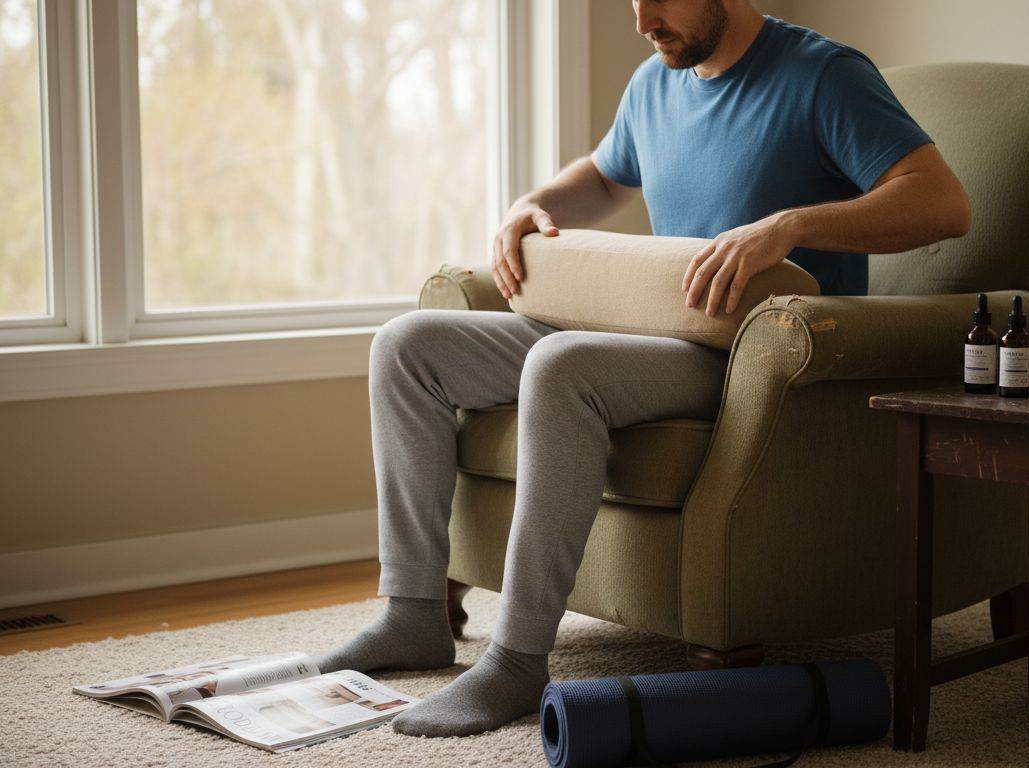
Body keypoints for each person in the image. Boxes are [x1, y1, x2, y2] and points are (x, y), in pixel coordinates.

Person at [316, 0, 970, 738]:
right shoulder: (656, 82)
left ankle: (518, 660)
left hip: (753, 358)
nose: (643, 20)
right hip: (658, 329)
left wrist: (788, 225)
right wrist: (531, 205)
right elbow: (602, 177)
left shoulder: (824, 74)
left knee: (563, 365)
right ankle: (411, 615)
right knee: (408, 345)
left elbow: (943, 203)